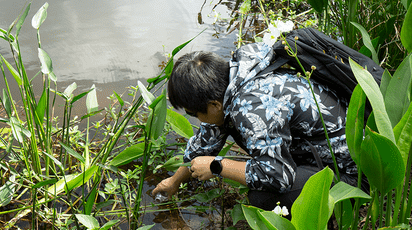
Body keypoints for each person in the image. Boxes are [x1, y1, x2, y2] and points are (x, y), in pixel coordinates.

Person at [151, 41, 359, 211]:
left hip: (350, 174)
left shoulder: (252, 107)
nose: (195, 118)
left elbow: (278, 176)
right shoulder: (233, 82)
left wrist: (217, 166)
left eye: (192, 113)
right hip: (315, 151)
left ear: (213, 105)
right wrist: (175, 181)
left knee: (262, 198)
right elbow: (205, 143)